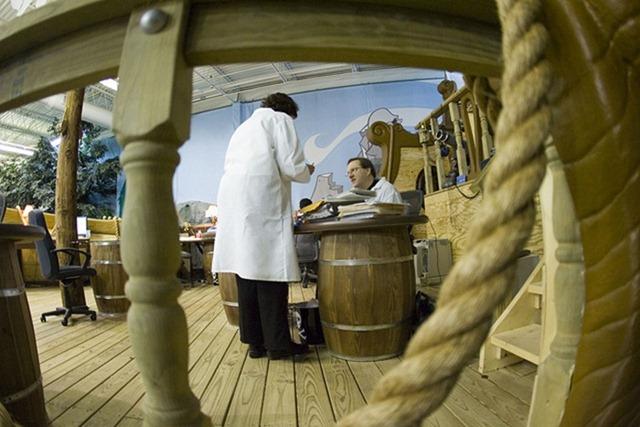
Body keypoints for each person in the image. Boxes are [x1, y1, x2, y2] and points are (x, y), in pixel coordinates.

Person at [212, 93, 315, 360]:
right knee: (270, 272)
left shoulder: (244, 127)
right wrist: (308, 169)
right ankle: (278, 345)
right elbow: (292, 166)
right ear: (288, 111)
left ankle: (255, 343)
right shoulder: (280, 119)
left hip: (233, 198)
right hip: (260, 197)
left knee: (246, 270)